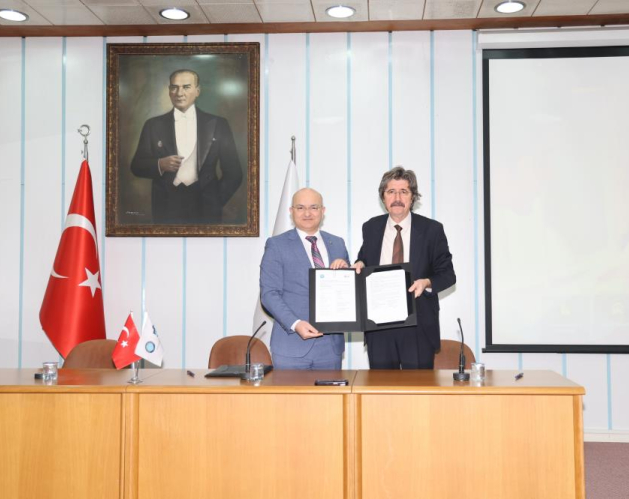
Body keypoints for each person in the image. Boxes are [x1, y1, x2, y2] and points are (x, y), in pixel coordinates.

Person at [353, 167, 455, 369]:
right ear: (383, 197)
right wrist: (360, 263)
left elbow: (447, 274)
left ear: (413, 197)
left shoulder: (432, 230)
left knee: (418, 388)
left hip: (418, 326)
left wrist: (426, 282)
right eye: (391, 192)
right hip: (378, 326)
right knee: (381, 386)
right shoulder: (371, 227)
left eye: (404, 192)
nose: (397, 198)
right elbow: (365, 258)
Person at [131, 69, 243, 224]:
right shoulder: (153, 125)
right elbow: (136, 166)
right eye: (174, 87)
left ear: (197, 91)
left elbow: (234, 173)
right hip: (166, 206)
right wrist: (160, 164)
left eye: (186, 87)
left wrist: (214, 202)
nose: (179, 93)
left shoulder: (218, 124)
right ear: (169, 91)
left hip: (207, 208)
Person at [260, 188, 350, 370]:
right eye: (300, 208)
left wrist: (347, 272)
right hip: (291, 345)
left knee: (331, 392)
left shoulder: (337, 243)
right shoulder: (276, 245)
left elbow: (348, 291)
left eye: (313, 207)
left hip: (330, 347)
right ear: (291, 211)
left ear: (323, 211)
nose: (307, 213)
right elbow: (269, 294)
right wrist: (295, 324)